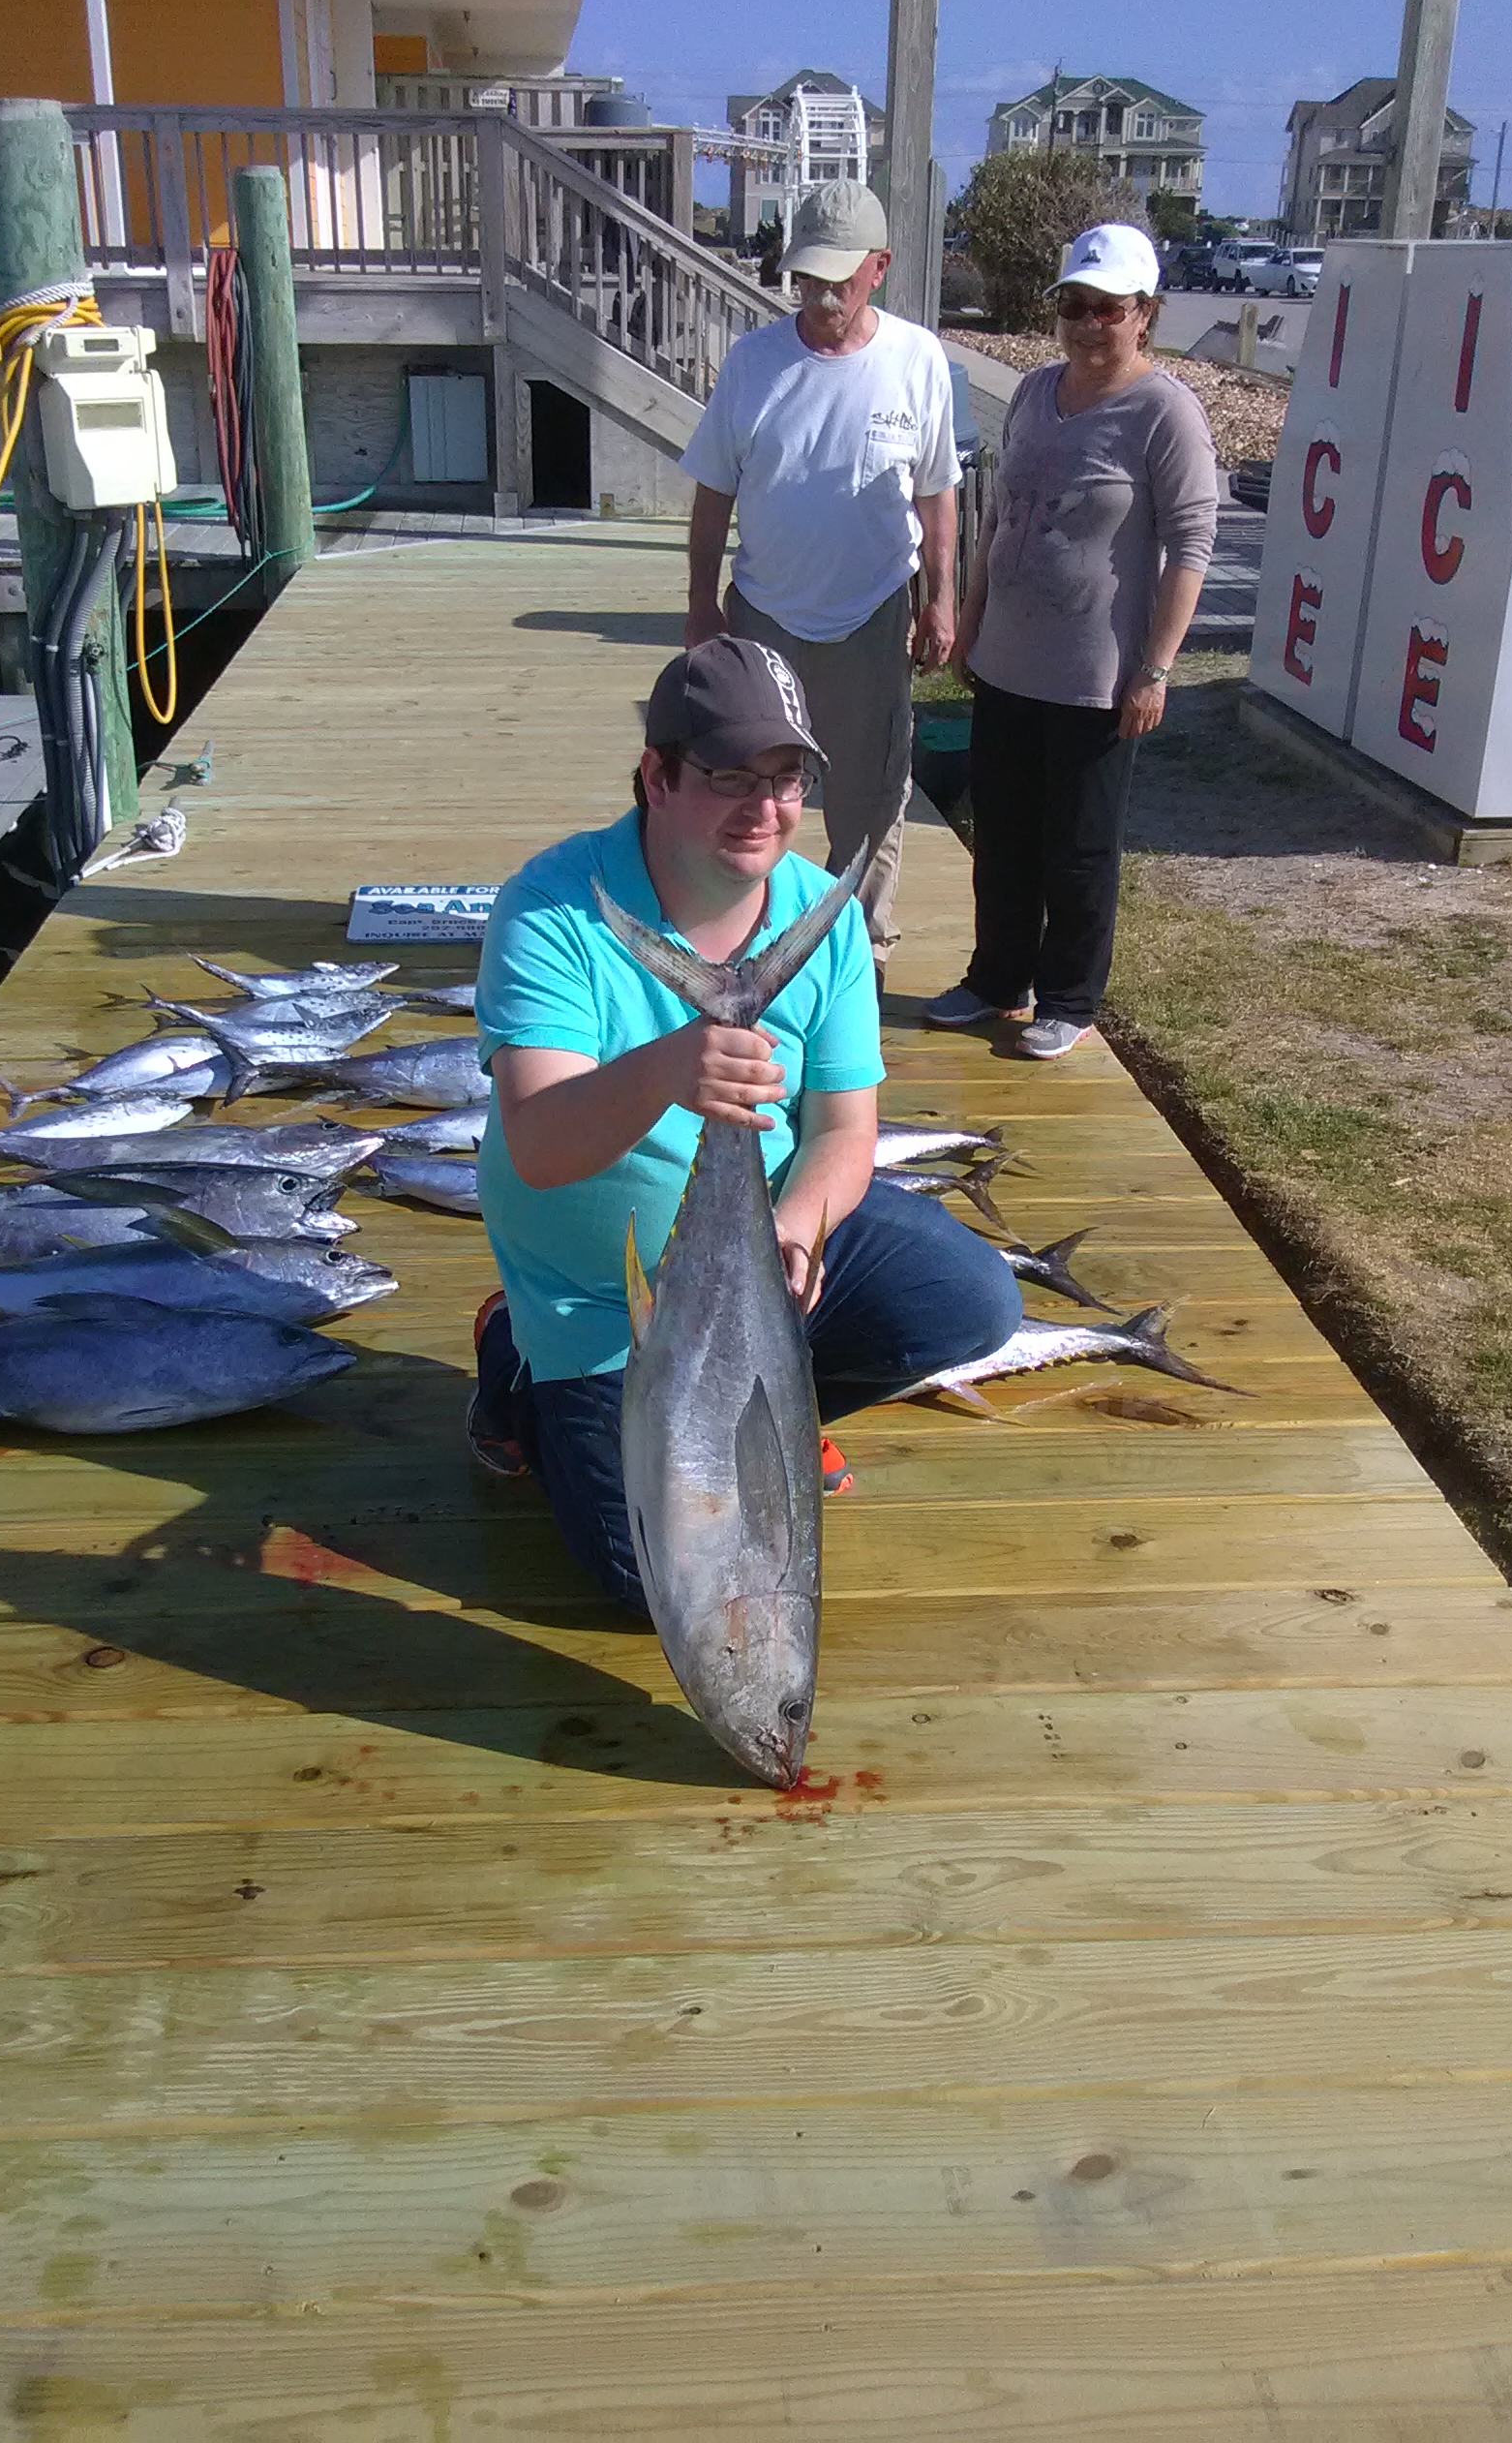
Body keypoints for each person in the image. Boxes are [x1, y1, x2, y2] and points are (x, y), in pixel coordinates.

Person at [468, 637, 1021, 1615]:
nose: (764, 809)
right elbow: (540, 1147)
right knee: (659, 1585)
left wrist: (796, 1227)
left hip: (754, 1253)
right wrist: (669, 1068)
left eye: (786, 779)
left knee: (972, 1303)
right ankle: (518, 1362)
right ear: (657, 776)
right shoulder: (551, 910)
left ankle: (775, 1402)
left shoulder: (824, 916)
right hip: (602, 1299)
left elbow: (846, 1130)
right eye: (729, 775)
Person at [922, 223, 1219, 1057]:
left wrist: (1156, 668)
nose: (1089, 324)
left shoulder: (1166, 412)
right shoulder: (1033, 392)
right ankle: (995, 979)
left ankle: (1070, 996)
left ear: (1145, 314)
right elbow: (1003, 518)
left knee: (1079, 848)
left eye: (1108, 309)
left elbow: (1192, 545)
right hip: (1008, 660)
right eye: (1074, 306)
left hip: (1097, 675)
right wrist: (970, 619)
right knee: (1003, 835)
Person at [680, 179, 960, 982]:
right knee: (743, 782)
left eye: (842, 276)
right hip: (764, 611)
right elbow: (713, 493)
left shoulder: (917, 359)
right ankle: (736, 930)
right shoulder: (752, 362)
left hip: (872, 611)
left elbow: (937, 492)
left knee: (870, 795)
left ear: (881, 267)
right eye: (809, 277)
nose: (824, 293)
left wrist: (939, 599)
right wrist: (701, 603)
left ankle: (857, 941)